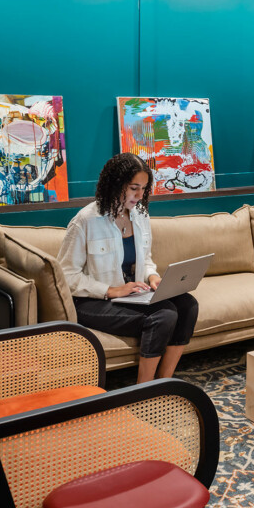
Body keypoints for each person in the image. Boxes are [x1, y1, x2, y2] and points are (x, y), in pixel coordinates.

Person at [58, 153, 198, 383]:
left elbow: (147, 257)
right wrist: (111, 290)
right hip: (92, 301)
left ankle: (165, 380)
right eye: (134, 188)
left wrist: (152, 276)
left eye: (143, 188)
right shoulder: (85, 221)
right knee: (163, 315)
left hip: (132, 295)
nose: (140, 195)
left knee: (188, 305)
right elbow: (66, 276)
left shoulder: (140, 215)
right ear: (116, 184)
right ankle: (144, 388)